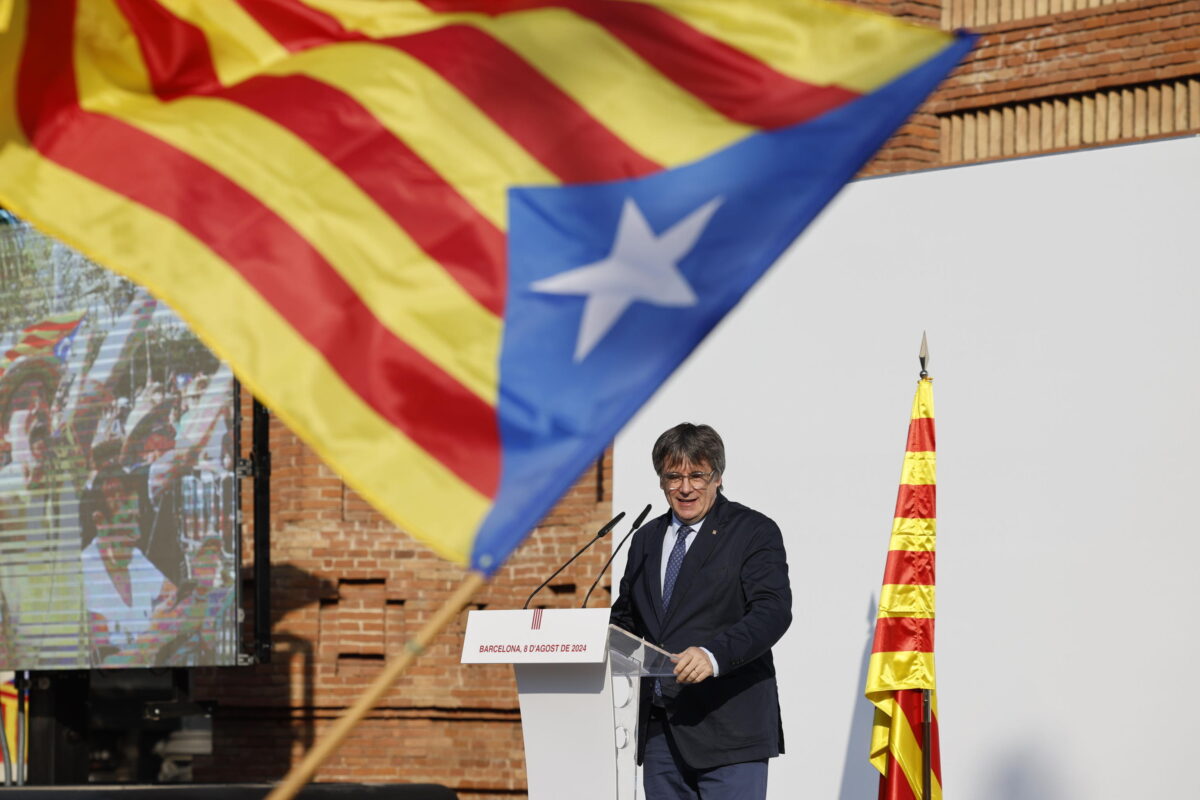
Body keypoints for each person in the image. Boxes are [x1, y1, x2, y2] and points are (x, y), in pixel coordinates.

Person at [610, 423, 792, 800]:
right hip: (661, 733)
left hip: (730, 733)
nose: (685, 488)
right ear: (661, 480)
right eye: (673, 476)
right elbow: (626, 620)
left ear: (718, 477)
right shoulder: (644, 539)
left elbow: (772, 611)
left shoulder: (753, 532)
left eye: (697, 475)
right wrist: (576, 638)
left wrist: (713, 655)